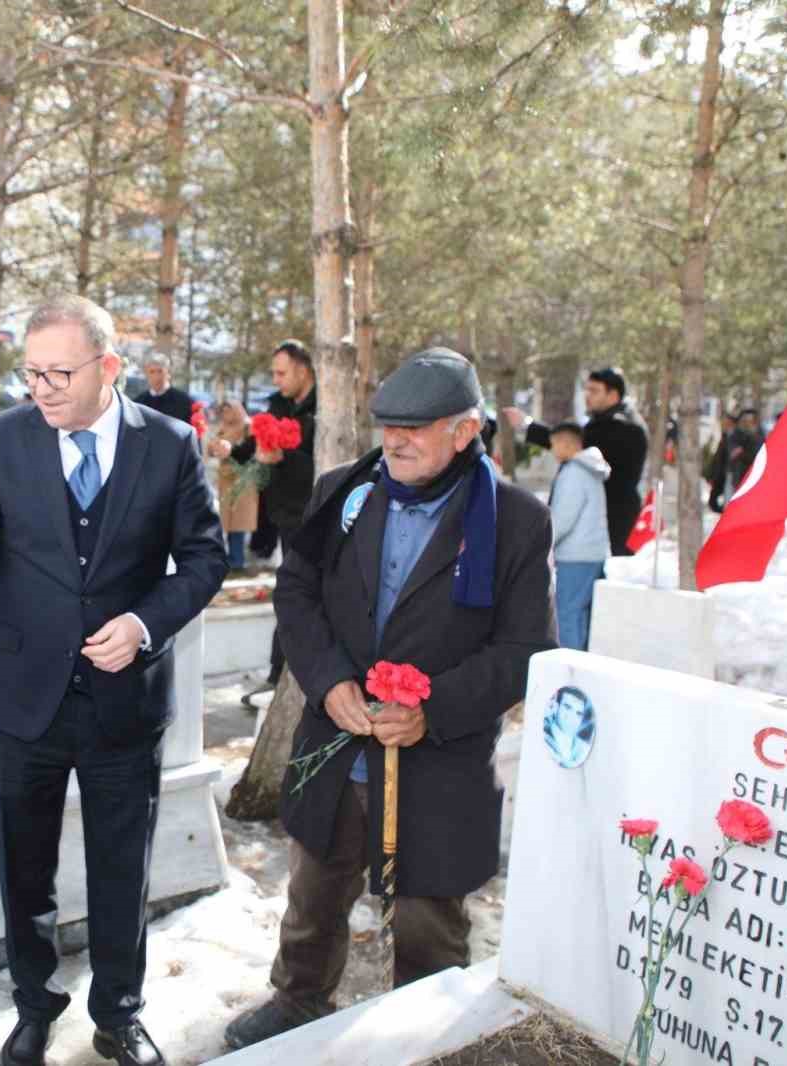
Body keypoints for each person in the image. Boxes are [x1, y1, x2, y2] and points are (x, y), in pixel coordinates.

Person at [225, 349, 556, 1050]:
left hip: (439, 755)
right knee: (313, 889)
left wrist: (431, 709)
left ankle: (424, 1033)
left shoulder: (517, 522)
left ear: (466, 431)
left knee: (427, 914)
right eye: (388, 426)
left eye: (417, 427)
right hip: (337, 739)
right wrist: (329, 680)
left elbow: (525, 650)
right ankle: (298, 998)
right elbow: (298, 591)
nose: (396, 440)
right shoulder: (344, 492)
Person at [0, 295, 226, 1066]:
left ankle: (118, 1015)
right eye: (31, 372)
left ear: (110, 368)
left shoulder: (169, 445)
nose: (43, 388)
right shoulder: (1, 440)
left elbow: (204, 560)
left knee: (122, 870)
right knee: (24, 869)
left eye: (59, 372)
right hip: (21, 695)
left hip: (124, 703)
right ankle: (34, 1006)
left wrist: (143, 624)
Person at [211, 340, 316, 702]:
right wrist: (234, 451)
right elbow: (256, 449)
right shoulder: (277, 405)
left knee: (297, 594)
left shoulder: (325, 409)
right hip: (286, 516)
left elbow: (321, 464)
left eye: (281, 372)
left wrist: (282, 458)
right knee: (290, 592)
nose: (275, 379)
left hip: (317, 516)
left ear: (304, 370)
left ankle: (283, 676)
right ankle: (278, 675)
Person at [503, 366, 647, 556]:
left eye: (595, 391)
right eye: (587, 390)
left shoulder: (622, 426)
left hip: (612, 522)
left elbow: (574, 444)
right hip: (598, 522)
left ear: (613, 395)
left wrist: (528, 426)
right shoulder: (605, 422)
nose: (588, 395)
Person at [546, 422, 611, 651]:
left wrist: (544, 540)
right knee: (581, 615)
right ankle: (581, 663)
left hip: (576, 555)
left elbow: (563, 518)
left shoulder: (573, 472)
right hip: (593, 552)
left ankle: (570, 670)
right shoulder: (591, 470)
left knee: (568, 615)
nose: (553, 450)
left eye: (554, 444)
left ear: (566, 443)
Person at [209, 400, 258, 572]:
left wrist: (231, 449)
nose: (225, 415)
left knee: (240, 521)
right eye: (223, 411)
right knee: (227, 521)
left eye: (228, 411)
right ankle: (232, 558)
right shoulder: (223, 427)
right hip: (226, 480)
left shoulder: (248, 427)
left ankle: (238, 560)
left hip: (243, 481)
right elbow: (211, 448)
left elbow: (249, 451)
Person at [132, 352, 193, 424]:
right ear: (146, 374)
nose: (156, 376)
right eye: (152, 372)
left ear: (168, 373)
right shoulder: (138, 403)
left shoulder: (183, 401)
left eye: (160, 371)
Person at [706, 411, 737, 512]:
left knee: (722, 500)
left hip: (728, 474)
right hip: (720, 474)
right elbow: (718, 457)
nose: (723, 425)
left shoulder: (734, 436)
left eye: (726, 423)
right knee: (713, 502)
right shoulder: (724, 436)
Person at [727, 408, 762, 493]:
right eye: (746, 421)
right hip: (738, 476)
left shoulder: (760, 436)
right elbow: (733, 453)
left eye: (751, 421)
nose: (748, 424)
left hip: (754, 477)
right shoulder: (736, 435)